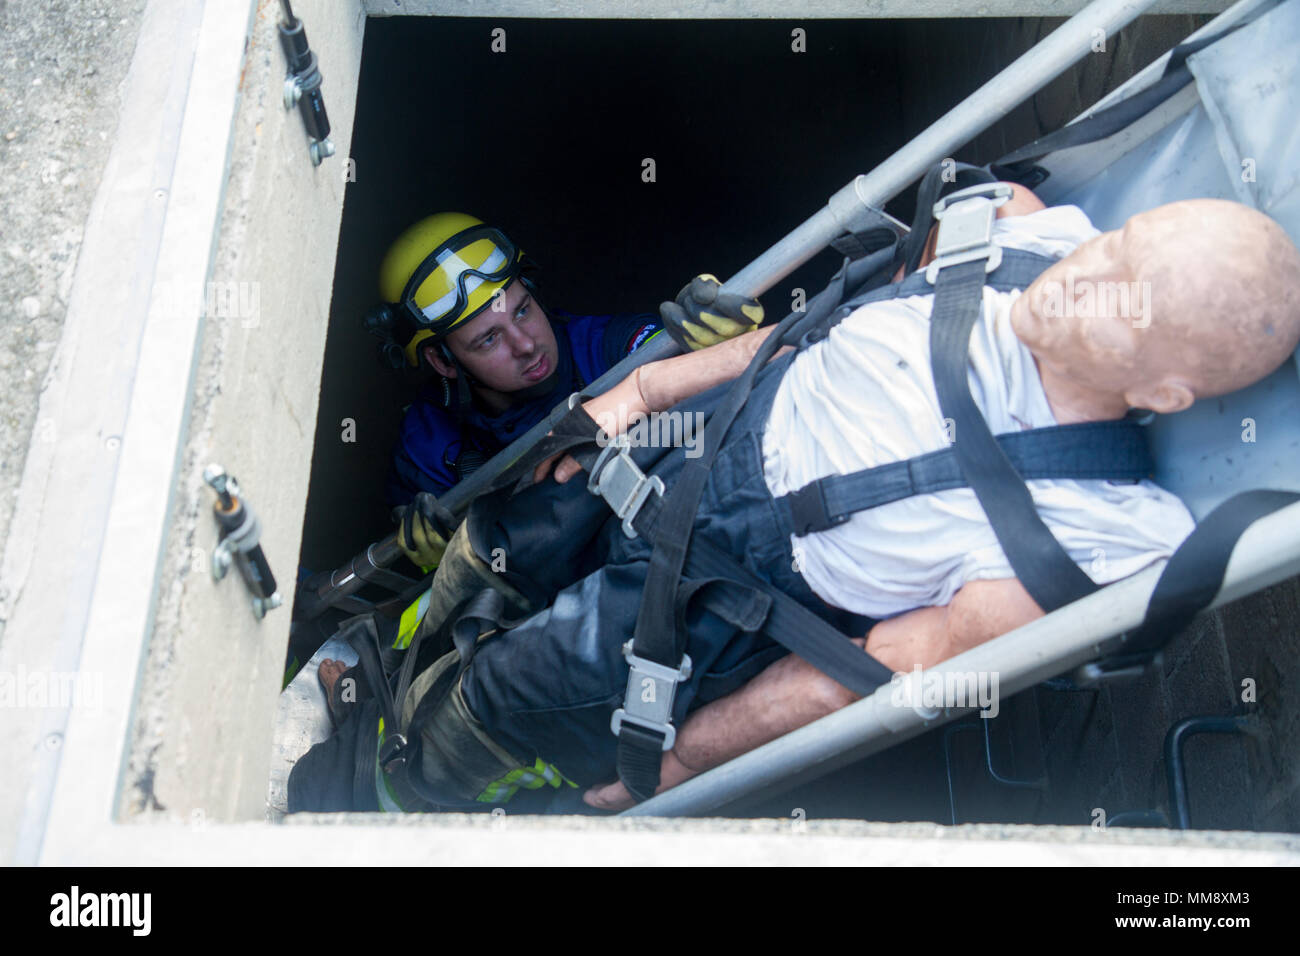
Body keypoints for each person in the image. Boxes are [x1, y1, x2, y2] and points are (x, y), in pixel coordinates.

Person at [295, 189, 1300, 814]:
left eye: (1123, 301)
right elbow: (831, 319)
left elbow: (887, 663)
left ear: (1165, 393)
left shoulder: (1101, 531)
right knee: (495, 541)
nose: (1089, 274)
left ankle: (363, 788)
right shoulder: (1027, 232)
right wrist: (653, 386)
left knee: (506, 696)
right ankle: (381, 652)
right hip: (699, 429)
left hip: (724, 585)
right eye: (1121, 244)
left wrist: (684, 756)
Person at [368, 211, 763, 569]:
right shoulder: (430, 443)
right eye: (488, 339)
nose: (525, 345)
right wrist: (441, 561)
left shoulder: (610, 349)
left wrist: (717, 344)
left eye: (522, 310)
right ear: (443, 362)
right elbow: (410, 547)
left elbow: (659, 348)